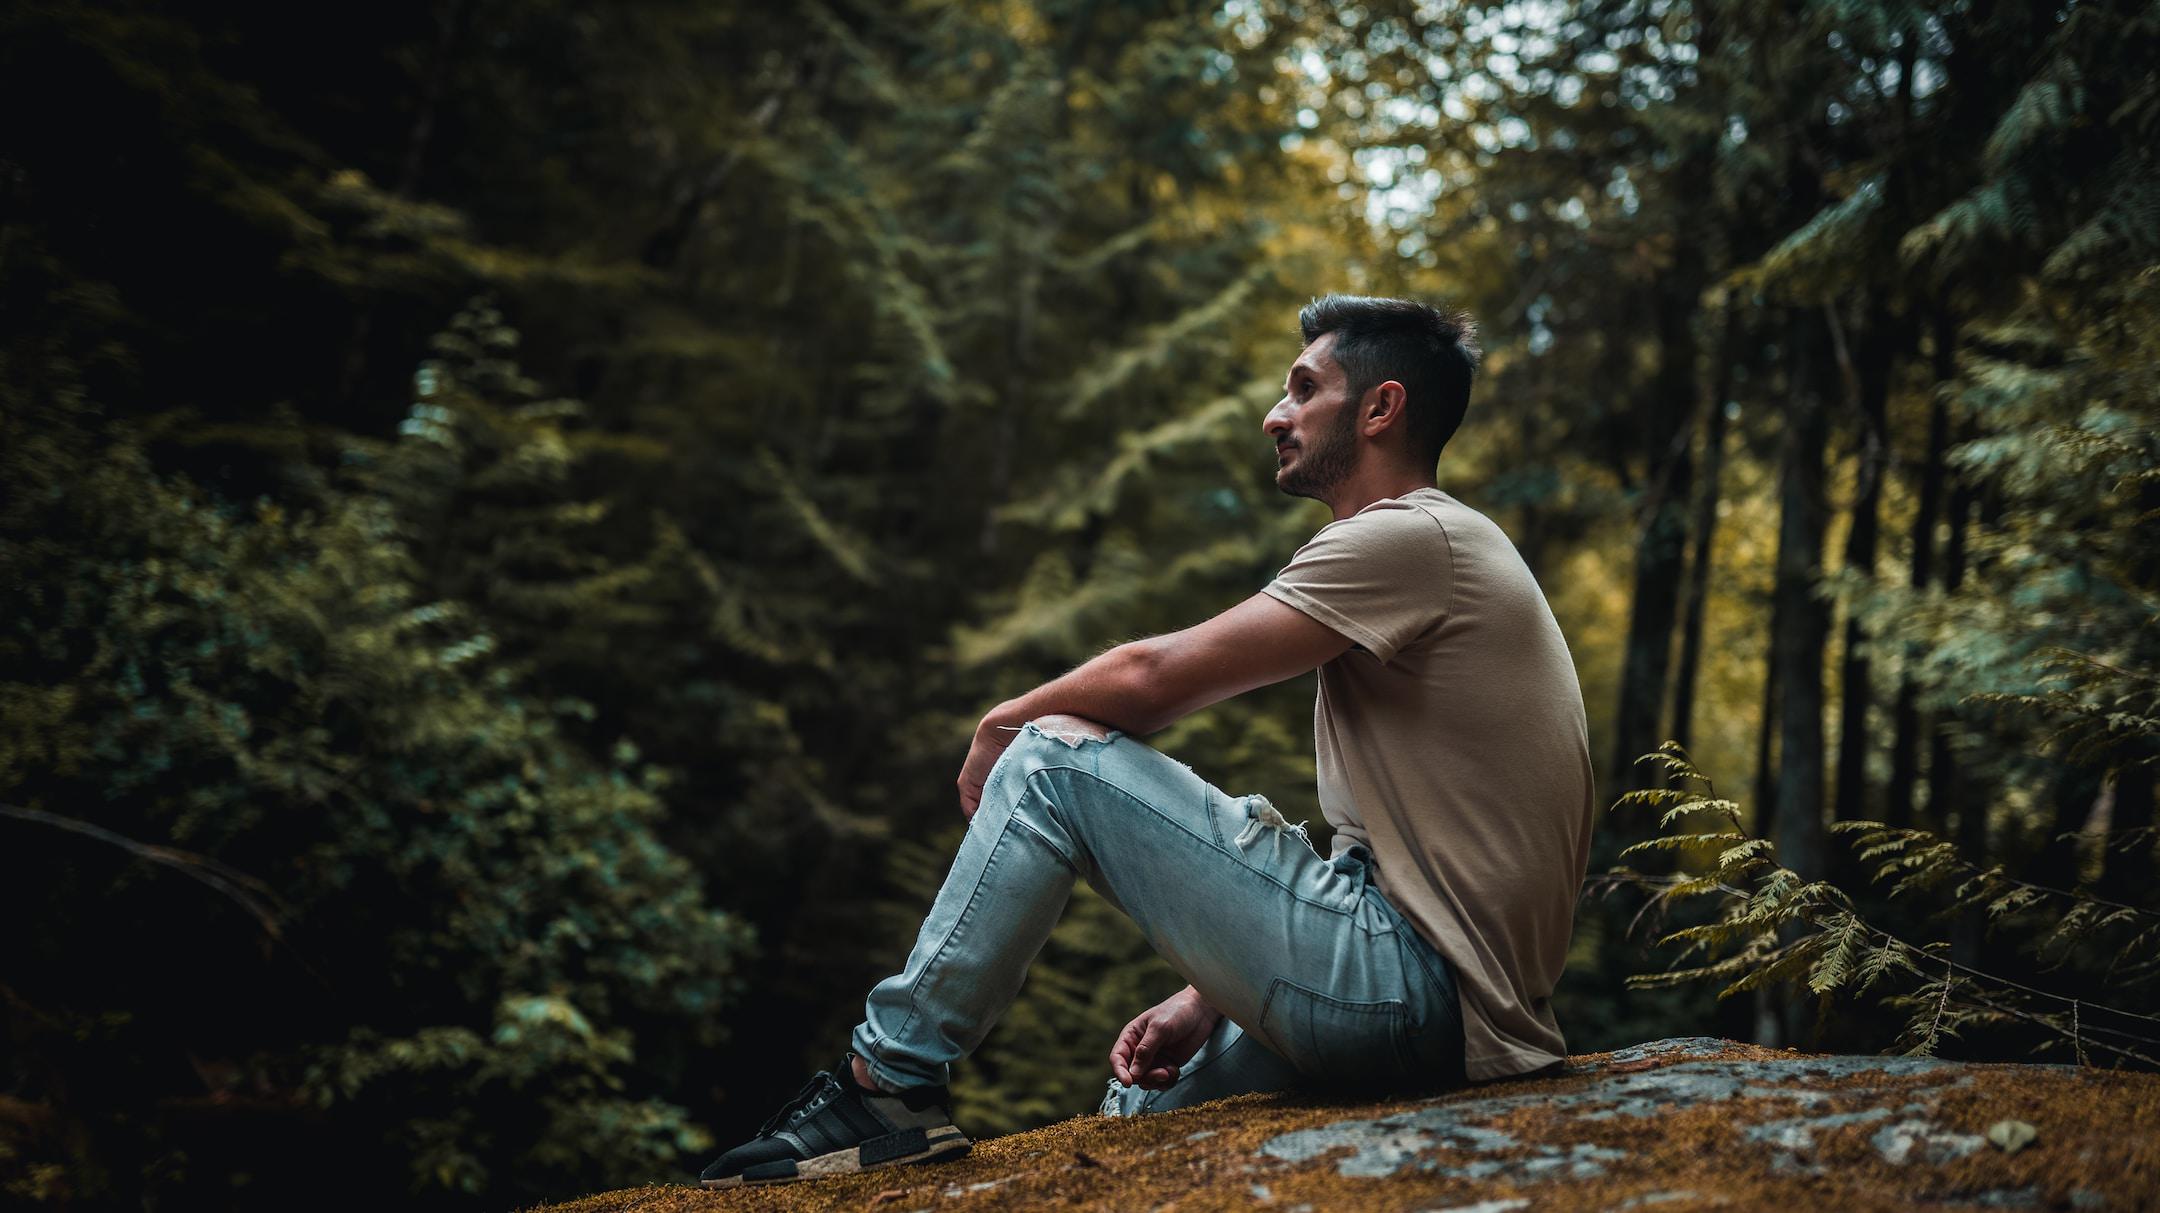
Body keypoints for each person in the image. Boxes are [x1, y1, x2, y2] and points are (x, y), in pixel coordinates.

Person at [697, 294, 1597, 1189]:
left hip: (1411, 995)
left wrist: (1002, 724)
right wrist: (1212, 993)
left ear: (1379, 408)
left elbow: (1154, 679)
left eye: (1302, 387)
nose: (1273, 415)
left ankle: (885, 1086)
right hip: (1438, 1006)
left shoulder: (1412, 536)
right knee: (1140, 1117)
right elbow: (1398, 864)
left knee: (1052, 758)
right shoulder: (1434, 550)